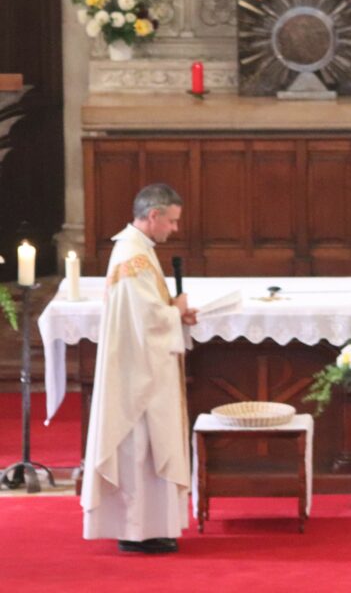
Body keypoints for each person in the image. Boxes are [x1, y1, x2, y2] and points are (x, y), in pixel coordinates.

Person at [81, 183, 197, 554]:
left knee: (147, 447)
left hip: (144, 365)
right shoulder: (132, 255)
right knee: (139, 447)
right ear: (153, 215)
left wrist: (175, 313)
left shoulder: (138, 250)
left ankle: (150, 527)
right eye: (171, 221)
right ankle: (136, 530)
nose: (174, 229)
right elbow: (146, 319)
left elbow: (146, 310)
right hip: (137, 374)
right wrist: (175, 311)